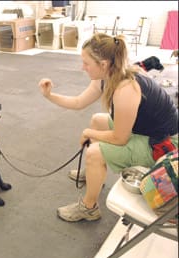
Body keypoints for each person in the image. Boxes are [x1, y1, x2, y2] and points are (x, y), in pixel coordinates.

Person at [38, 33, 178, 222]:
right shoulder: (108, 74)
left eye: (86, 63)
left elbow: (120, 138)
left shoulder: (126, 88)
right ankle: (92, 173)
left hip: (162, 144)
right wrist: (49, 95)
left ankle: (89, 208)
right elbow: (79, 102)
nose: (83, 67)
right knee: (97, 120)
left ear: (103, 64)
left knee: (94, 152)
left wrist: (88, 133)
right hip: (145, 130)